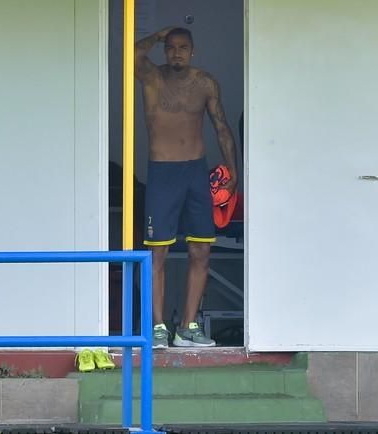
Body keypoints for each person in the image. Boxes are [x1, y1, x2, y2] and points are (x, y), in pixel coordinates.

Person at [135, 27, 237, 348]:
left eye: (183, 47)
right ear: (165, 50)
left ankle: (188, 326)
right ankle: (157, 328)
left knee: (201, 250)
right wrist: (158, 34)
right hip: (163, 173)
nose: (176, 52)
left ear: (192, 51)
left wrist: (233, 170)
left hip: (195, 172)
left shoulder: (205, 83)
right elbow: (133, 54)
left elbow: (221, 126)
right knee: (158, 253)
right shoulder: (152, 78)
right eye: (171, 47)